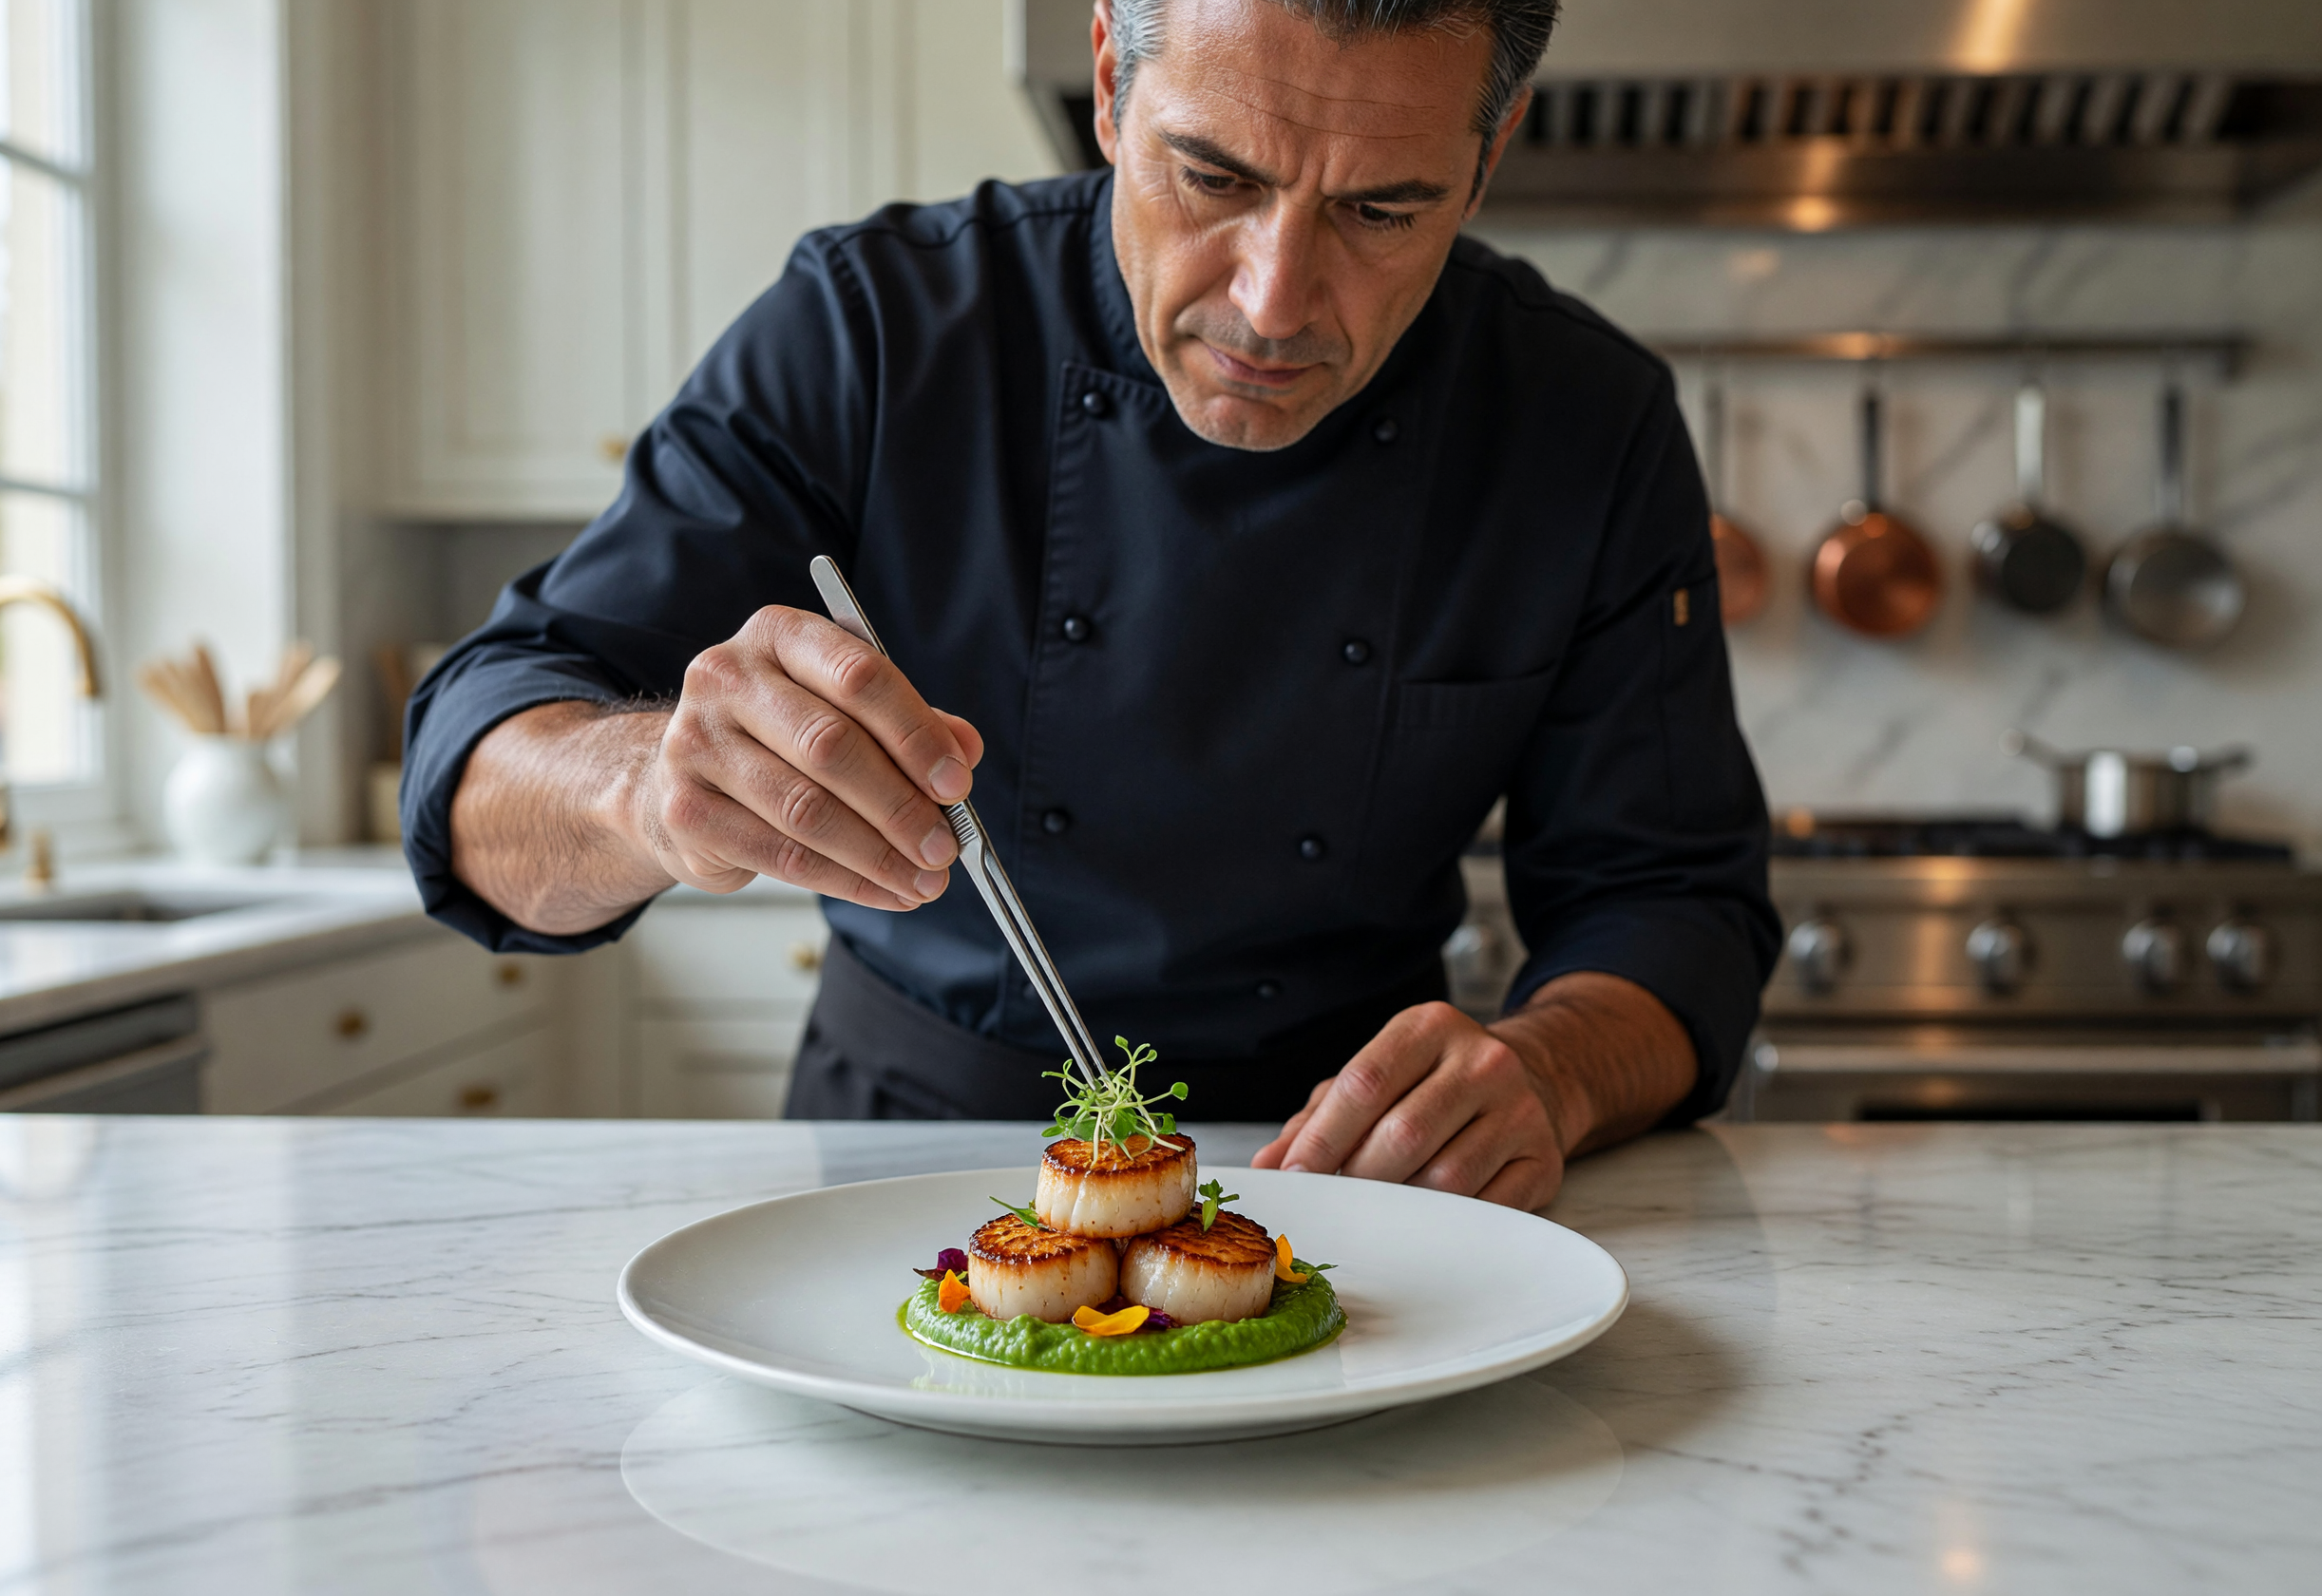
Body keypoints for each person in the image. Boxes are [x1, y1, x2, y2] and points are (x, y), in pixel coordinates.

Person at [401, 0, 1780, 1210]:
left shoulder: (1584, 423)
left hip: (1356, 1184)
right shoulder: (874, 329)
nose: (1273, 302)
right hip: (905, 1165)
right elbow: (475, 779)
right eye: (1215, 176)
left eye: (1381, 211)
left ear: (1490, 153)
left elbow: (1674, 908)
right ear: (1112, 81)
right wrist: (647, 788)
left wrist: (1551, 1072)